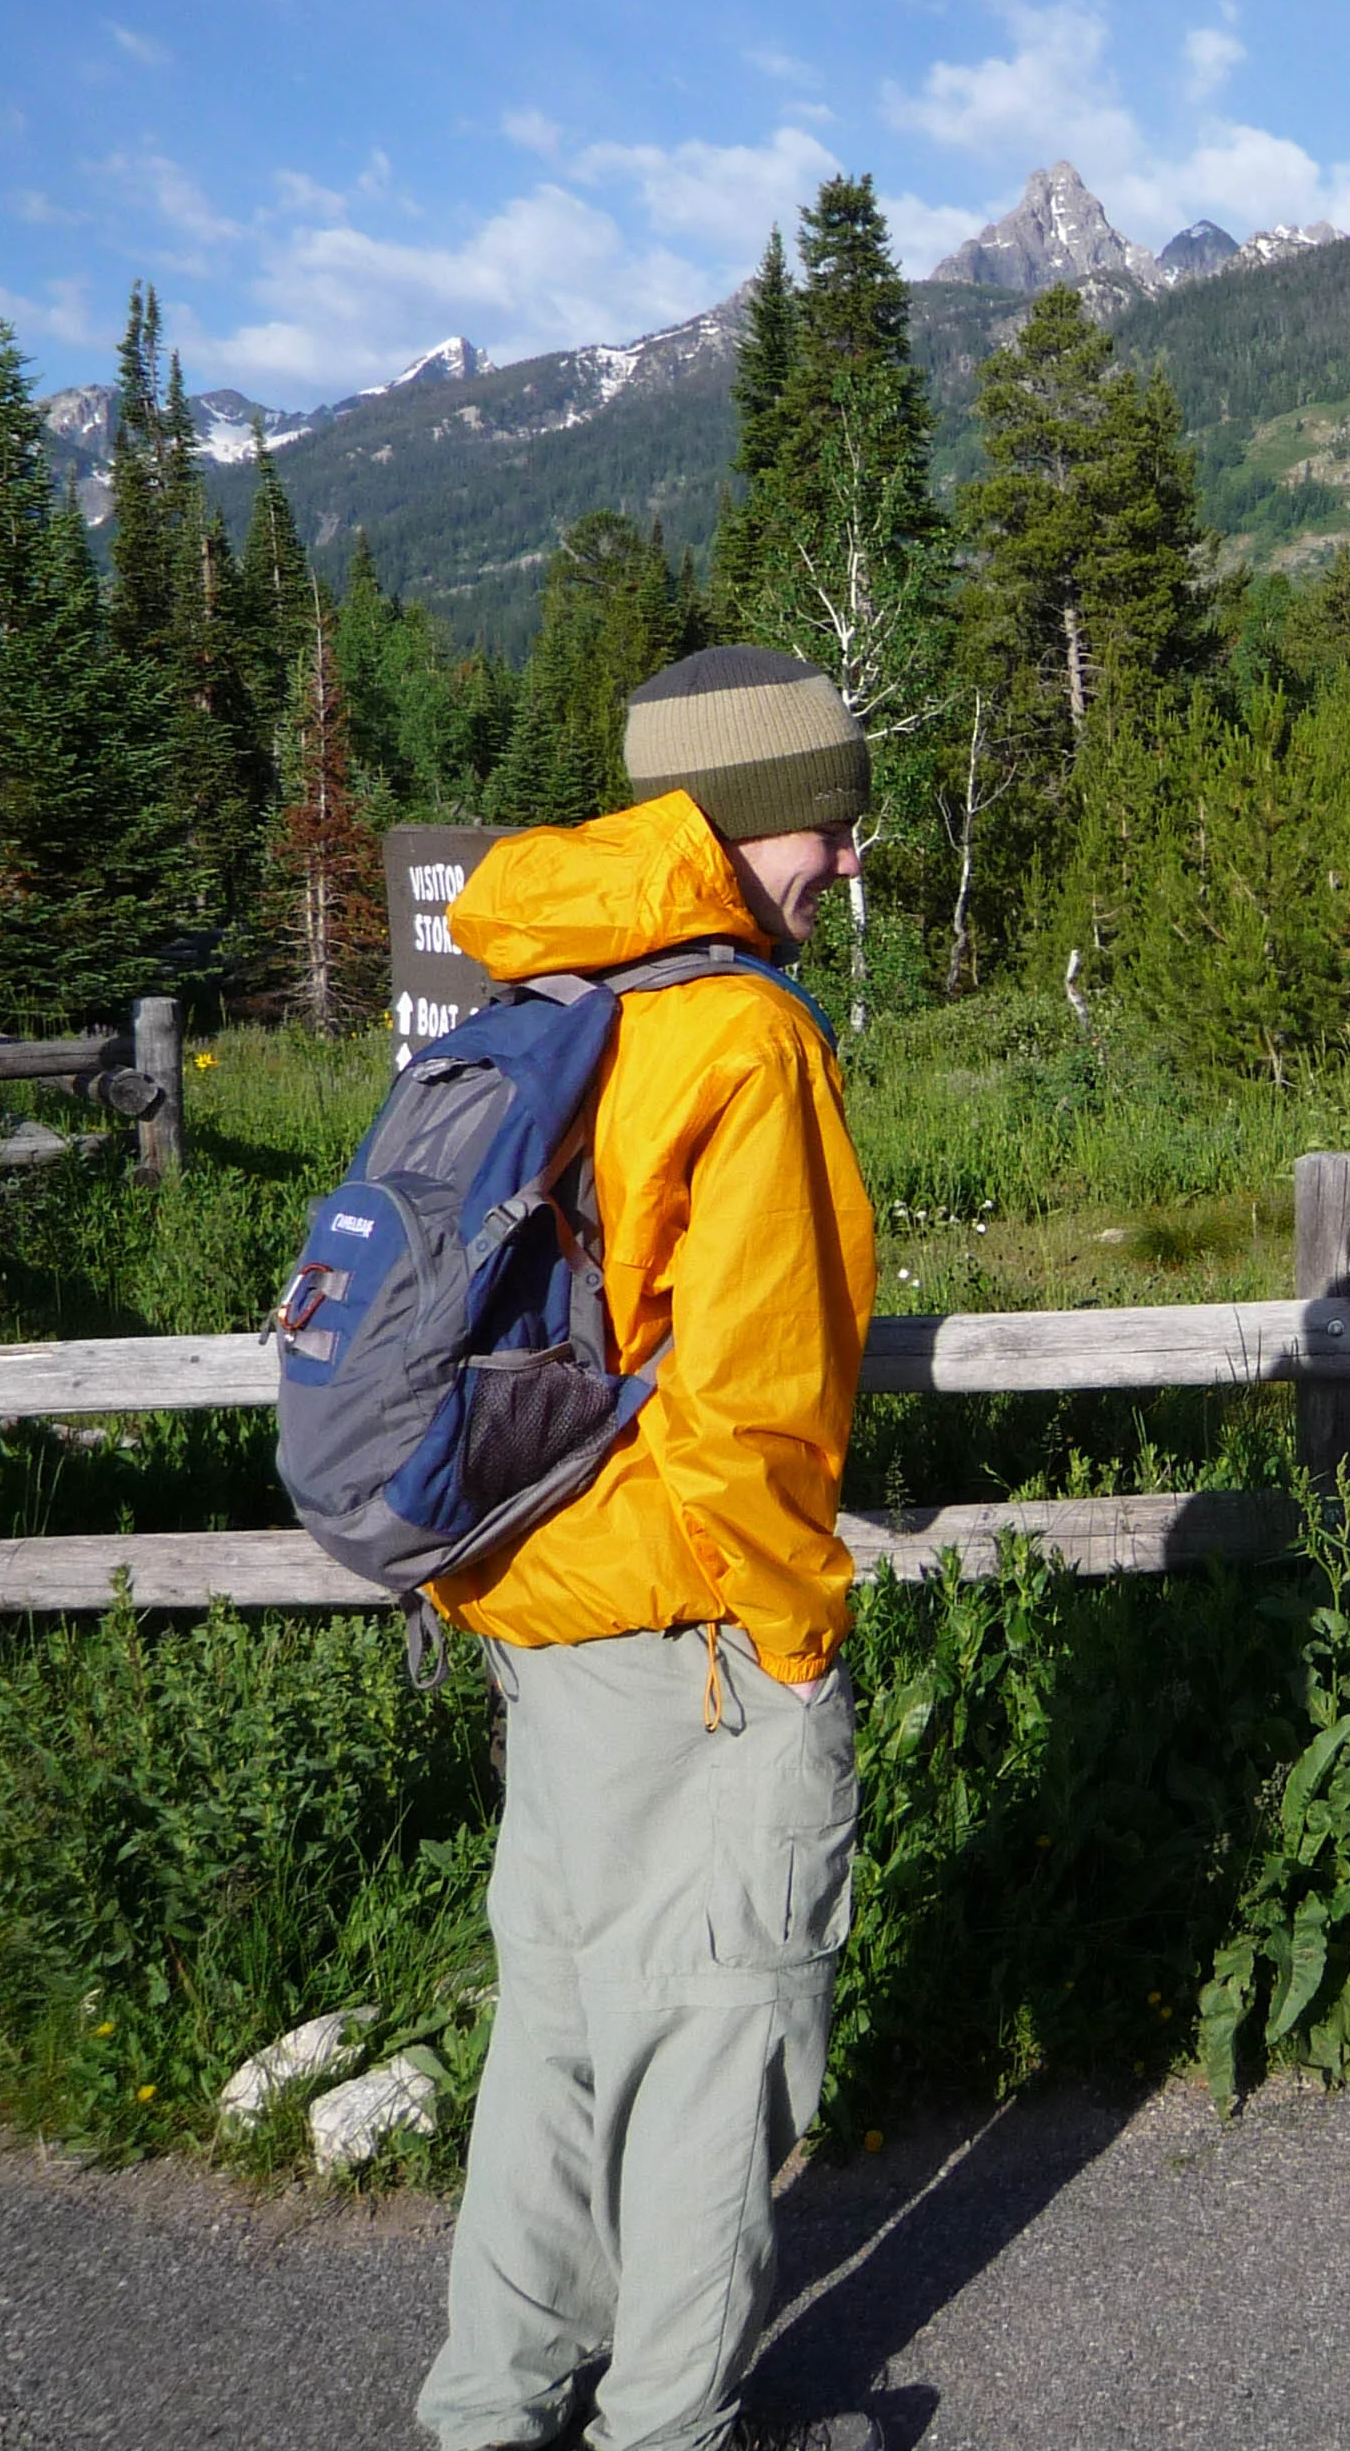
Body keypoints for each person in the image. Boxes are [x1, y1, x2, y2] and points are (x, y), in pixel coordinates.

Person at [415, 646, 884, 2451]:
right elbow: (758, 1396)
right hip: (694, 1622)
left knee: (556, 2022)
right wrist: (794, 1646)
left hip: (536, 1589)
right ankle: (670, 2428)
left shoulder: (551, 979)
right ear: (750, 820)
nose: (846, 860)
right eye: (828, 823)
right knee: (713, 2036)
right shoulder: (745, 1033)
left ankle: (492, 2411)